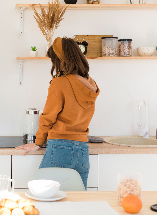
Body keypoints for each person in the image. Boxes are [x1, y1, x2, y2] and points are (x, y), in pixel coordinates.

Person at [16, 37, 99, 189]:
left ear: (61, 60)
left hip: (60, 148)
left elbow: (48, 118)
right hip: (82, 150)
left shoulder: (60, 83)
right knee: (77, 201)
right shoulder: (90, 84)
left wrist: (38, 143)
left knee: (42, 195)